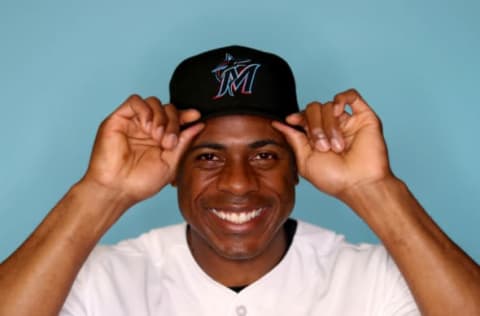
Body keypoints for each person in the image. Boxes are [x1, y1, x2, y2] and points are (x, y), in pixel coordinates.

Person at [0, 45, 479, 316]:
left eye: (265, 154)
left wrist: (373, 190)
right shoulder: (97, 279)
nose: (238, 184)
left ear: (298, 164)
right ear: (172, 170)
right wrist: (101, 193)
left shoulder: (376, 279)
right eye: (208, 156)